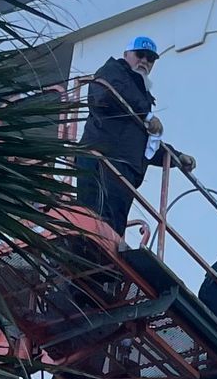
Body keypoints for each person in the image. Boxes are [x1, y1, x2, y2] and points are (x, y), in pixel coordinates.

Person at [74, 32, 193, 230]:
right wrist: (146, 115)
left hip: (123, 171)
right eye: (140, 55)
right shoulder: (112, 71)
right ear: (126, 54)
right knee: (91, 223)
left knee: (111, 229)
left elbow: (144, 144)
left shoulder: (141, 98)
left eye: (151, 59)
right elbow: (109, 92)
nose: (145, 61)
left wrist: (176, 156)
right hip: (100, 160)